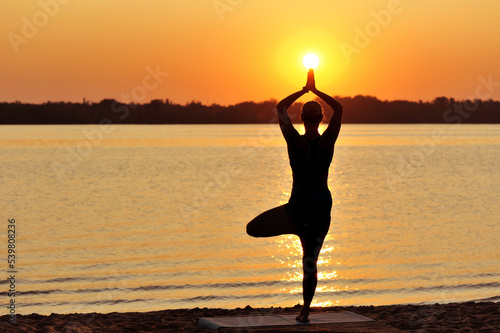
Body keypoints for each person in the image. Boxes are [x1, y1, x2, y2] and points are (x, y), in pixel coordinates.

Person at [246, 70, 343, 323]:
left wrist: (303, 90)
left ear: (301, 119)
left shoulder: (295, 143)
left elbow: (280, 108)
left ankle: (295, 229)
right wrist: (317, 90)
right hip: (321, 207)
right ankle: (305, 311)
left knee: (252, 229)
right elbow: (340, 109)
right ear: (321, 119)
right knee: (310, 260)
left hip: (299, 209)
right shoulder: (327, 143)